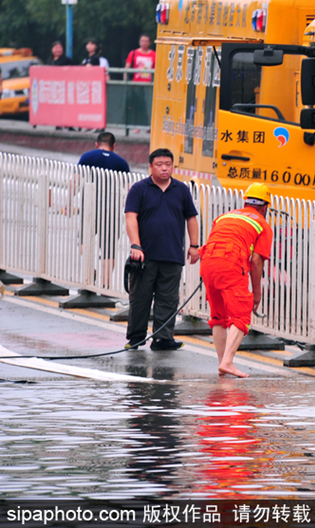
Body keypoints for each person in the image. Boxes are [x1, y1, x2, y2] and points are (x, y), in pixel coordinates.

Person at [124, 148, 200, 351]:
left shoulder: (181, 190)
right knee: (140, 298)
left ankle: (162, 339)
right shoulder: (139, 189)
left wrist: (194, 246)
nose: (164, 168)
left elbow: (191, 218)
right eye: (159, 164)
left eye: (168, 164)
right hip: (144, 255)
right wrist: (135, 245)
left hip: (172, 254)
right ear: (150, 167)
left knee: (168, 299)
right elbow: (131, 218)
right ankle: (136, 337)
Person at [200, 183, 274, 378]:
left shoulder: (225, 216)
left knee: (218, 317)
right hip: (230, 263)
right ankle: (227, 362)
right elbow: (256, 261)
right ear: (265, 207)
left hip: (207, 261)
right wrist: (256, 293)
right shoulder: (262, 224)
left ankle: (222, 363)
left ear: (246, 202)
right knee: (241, 315)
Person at [77, 132, 130, 289]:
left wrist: (68, 202)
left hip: (89, 206)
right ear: (114, 146)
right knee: (109, 247)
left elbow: (75, 181)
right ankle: (105, 285)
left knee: (84, 240)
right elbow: (128, 189)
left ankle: (90, 272)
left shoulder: (87, 157)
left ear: (96, 144)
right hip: (111, 209)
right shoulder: (121, 163)